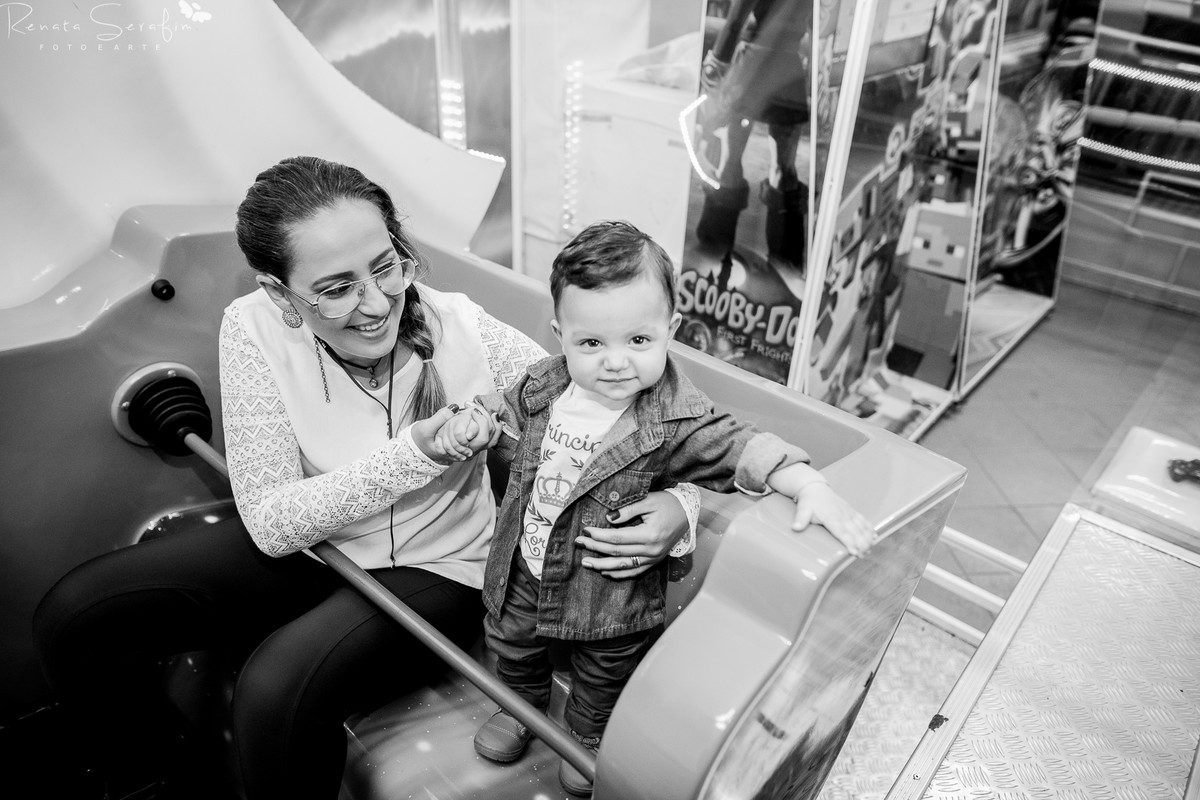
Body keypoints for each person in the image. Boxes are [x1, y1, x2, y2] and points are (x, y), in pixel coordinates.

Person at [31, 157, 696, 800]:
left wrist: (679, 504)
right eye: (337, 287)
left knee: (277, 690)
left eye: (385, 267)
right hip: (313, 543)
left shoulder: (463, 329)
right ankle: (158, 778)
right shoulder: (252, 327)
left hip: (440, 566)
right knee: (77, 614)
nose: (376, 302)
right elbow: (269, 522)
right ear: (279, 291)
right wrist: (418, 454)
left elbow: (627, 413)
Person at [436, 220, 875, 797]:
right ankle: (519, 707)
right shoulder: (545, 383)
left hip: (610, 592)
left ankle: (587, 735)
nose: (616, 362)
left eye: (638, 341)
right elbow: (502, 407)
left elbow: (737, 444)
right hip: (524, 563)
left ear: (670, 330)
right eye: (591, 343)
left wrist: (804, 481)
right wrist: (474, 419)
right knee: (512, 644)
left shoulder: (676, 416)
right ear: (560, 335)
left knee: (604, 671)